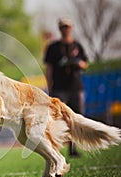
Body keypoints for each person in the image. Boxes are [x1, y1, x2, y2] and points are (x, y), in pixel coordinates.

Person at [44, 17, 89, 157]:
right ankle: (55, 147)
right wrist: (49, 86)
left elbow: (85, 64)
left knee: (76, 118)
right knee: (58, 118)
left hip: (75, 87)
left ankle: (73, 148)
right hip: (59, 88)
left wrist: (77, 63)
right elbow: (49, 68)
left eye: (67, 26)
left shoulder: (77, 46)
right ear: (60, 29)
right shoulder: (53, 47)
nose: (65, 29)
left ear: (71, 28)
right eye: (63, 27)